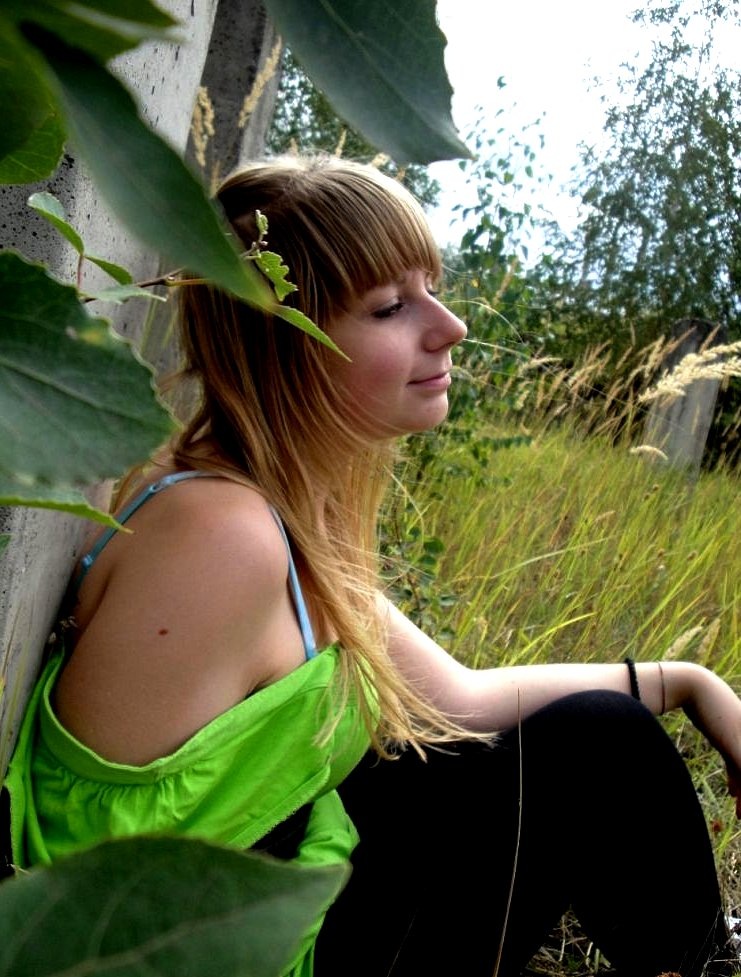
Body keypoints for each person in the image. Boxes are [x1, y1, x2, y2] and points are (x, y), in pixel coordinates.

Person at [3, 154, 741, 977]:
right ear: (286, 341)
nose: (450, 326)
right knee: (595, 749)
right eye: (390, 306)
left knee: (530, 745)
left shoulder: (275, 508)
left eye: (431, 287)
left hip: (290, 884)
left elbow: (457, 698)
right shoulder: (221, 535)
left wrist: (688, 682)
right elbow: (90, 872)